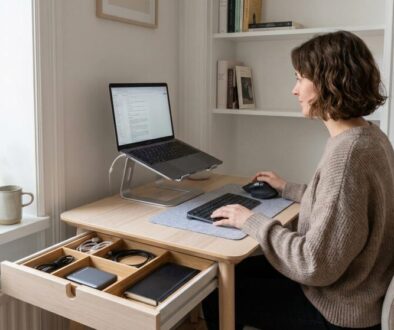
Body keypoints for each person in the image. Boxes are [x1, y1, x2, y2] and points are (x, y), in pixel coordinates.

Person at [203, 30, 394, 330]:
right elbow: (345, 211)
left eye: (299, 78)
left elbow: (313, 264)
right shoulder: (368, 136)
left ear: (327, 81)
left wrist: (250, 221)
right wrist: (287, 188)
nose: (294, 90)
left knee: (219, 290)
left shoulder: (347, 155)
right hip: (358, 290)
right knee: (236, 269)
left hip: (337, 309)